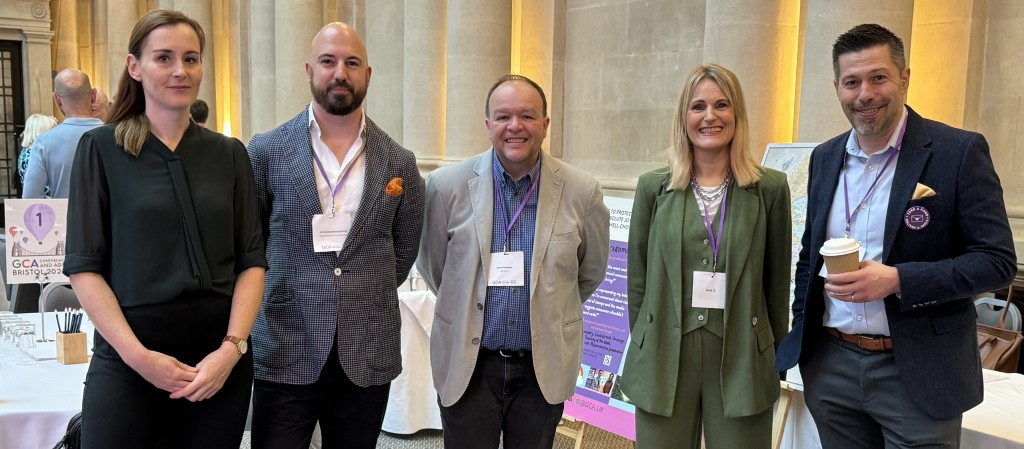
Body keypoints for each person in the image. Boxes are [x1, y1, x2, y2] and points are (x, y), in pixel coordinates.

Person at [775, 24, 1017, 449]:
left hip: (917, 372)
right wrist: (803, 333)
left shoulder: (957, 152)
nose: (865, 94)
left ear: (905, 77)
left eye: (878, 77)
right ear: (837, 88)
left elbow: (995, 260)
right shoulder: (825, 157)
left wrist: (899, 280)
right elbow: (809, 259)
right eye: (852, 82)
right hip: (831, 366)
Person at [63, 9, 266, 449]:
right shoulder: (101, 149)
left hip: (216, 362)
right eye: (164, 58)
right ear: (135, 67)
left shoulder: (230, 154)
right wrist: (139, 359)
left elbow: (252, 260)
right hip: (130, 353)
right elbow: (83, 266)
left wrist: (232, 350)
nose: (180, 70)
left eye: (191, 59)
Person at [247, 22, 424, 449]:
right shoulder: (265, 151)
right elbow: (248, 246)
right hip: (286, 344)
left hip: (367, 347)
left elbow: (404, 250)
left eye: (351, 63)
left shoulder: (399, 161)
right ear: (309, 70)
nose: (339, 72)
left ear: (368, 74)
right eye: (328, 62)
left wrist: (363, 286)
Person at [418, 74, 611, 449]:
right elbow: (435, 269)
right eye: (503, 116)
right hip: (470, 365)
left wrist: (549, 307)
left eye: (527, 116)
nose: (515, 126)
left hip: (542, 368)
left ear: (545, 124)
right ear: (488, 124)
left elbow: (590, 272)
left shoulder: (582, 191)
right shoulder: (445, 187)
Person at [623, 64, 792, 449]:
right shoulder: (654, 187)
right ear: (684, 116)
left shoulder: (769, 188)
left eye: (721, 105)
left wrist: (772, 357)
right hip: (665, 355)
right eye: (698, 106)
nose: (710, 116)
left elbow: (776, 284)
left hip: (743, 357)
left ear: (737, 114)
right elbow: (639, 278)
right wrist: (647, 338)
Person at [22, 69, 104, 198]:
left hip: (64, 217)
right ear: (93, 95)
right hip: (109, 218)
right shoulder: (117, 137)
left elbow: (31, 198)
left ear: (57, 99)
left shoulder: (43, 143)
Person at [16, 113, 58, 193]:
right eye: (53, 130)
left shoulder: (30, 151)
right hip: (44, 203)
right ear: (42, 132)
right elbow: (45, 189)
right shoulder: (32, 157)